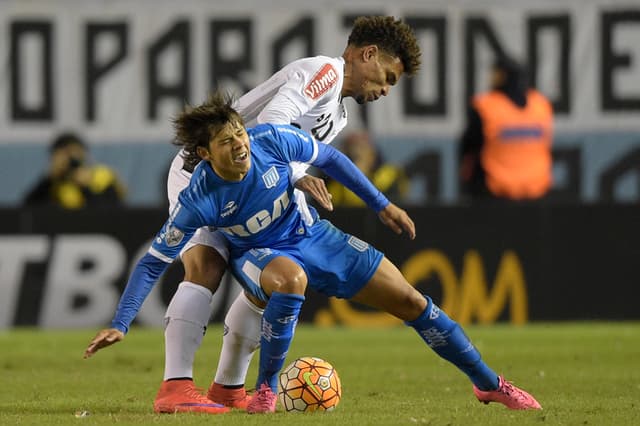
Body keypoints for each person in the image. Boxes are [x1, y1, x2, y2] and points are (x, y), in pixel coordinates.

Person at [84, 92, 542, 415]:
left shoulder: (272, 141)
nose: (241, 144)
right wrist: (121, 322)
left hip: (314, 235)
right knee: (290, 282)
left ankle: (490, 385)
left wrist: (382, 204)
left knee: (411, 301)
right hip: (260, 254)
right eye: (227, 142)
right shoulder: (199, 198)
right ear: (204, 153)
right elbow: (153, 261)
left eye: (240, 133)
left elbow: (332, 160)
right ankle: (264, 390)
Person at [154, 15, 422, 413]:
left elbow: (294, 148)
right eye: (387, 76)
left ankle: (228, 388)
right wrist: (297, 178)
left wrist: (296, 179)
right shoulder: (323, 73)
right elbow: (273, 125)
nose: (384, 89)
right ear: (367, 54)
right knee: (206, 265)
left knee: (270, 278)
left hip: (252, 185)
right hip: (205, 173)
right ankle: (175, 387)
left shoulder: (339, 113)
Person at [458, 55, 554, 201]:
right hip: (537, 192)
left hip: (494, 193)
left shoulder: (486, 106)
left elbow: (468, 149)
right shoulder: (541, 105)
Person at [23, 132, 126, 209]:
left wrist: (86, 188)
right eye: (63, 154)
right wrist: (48, 180)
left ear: (84, 153)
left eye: (72, 153)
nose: (69, 159)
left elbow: (114, 212)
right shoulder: (53, 184)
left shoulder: (102, 177)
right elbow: (28, 211)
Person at [326, 130, 409, 206]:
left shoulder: (391, 175)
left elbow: (395, 204)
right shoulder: (331, 176)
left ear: (372, 153)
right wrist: (353, 173)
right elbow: (333, 205)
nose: (357, 152)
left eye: (362, 147)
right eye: (351, 149)